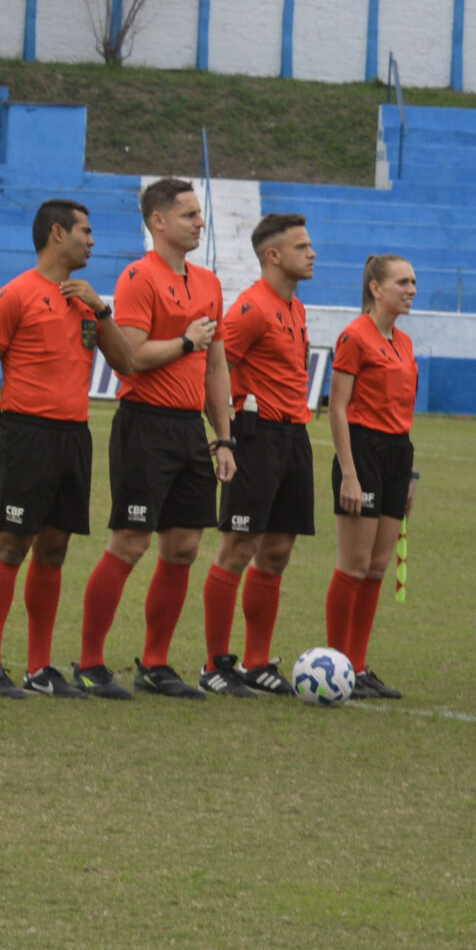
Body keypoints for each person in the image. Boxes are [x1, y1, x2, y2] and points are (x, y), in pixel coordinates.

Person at [74, 177, 236, 701]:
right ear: (158, 222)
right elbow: (134, 356)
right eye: (188, 214)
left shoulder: (209, 283)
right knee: (131, 541)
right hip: (145, 422)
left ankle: (157, 663)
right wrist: (186, 340)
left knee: (185, 546)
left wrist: (225, 437)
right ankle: (91, 662)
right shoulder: (138, 278)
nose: (200, 222)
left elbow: (215, 365)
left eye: (199, 213)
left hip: (190, 429)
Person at [0, 200, 134, 699]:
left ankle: (39, 669)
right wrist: (5, 426)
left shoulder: (86, 301)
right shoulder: (16, 294)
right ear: (57, 233)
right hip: (27, 434)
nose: (93, 240)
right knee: (12, 544)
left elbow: (127, 363)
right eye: (86, 230)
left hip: (73, 437)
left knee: (55, 549)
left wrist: (102, 309)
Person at [198, 214, 317, 697]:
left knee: (278, 551)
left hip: (295, 436)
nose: (312, 253)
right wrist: (226, 433)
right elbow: (216, 366)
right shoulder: (250, 308)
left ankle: (257, 662)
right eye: (302, 246)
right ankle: (215, 665)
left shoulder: (295, 307)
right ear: (273, 255)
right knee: (238, 548)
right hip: (257, 435)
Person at [325, 254, 418, 699]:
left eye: (413, 281)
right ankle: (336, 664)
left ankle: (358, 668)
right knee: (354, 565)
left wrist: (410, 473)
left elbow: (403, 412)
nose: (411, 289)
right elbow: (337, 408)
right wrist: (348, 473)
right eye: (402, 281)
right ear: (375, 288)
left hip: (397, 454)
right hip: (362, 450)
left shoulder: (405, 341)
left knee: (378, 566)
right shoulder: (354, 336)